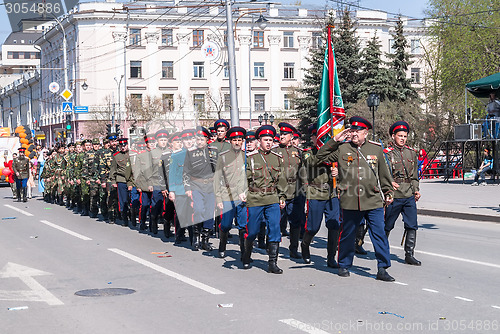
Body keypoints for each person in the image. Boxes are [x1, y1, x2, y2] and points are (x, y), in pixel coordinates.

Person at [316, 116, 395, 281]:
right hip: (350, 199)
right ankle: (344, 264)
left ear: (365, 133)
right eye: (352, 130)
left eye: (357, 131)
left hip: (373, 199)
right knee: (347, 234)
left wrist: (388, 192)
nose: (353, 133)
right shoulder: (342, 149)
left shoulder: (376, 149)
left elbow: (384, 175)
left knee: (379, 234)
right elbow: (320, 157)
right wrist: (335, 140)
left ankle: (382, 268)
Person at [243, 125, 287, 274]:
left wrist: (282, 197)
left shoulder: (277, 159)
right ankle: (246, 255)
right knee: (253, 231)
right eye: (265, 140)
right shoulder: (251, 158)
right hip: (255, 198)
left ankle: (272, 263)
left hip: (272, 197)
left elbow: (282, 180)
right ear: (259, 141)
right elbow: (243, 179)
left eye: (270, 140)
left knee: (275, 228)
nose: (268, 142)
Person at [301, 124, 341, 267]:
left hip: (332, 193)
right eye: (317, 136)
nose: (321, 139)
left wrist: (339, 173)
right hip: (316, 192)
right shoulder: (307, 152)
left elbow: (347, 166)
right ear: (312, 138)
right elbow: (312, 162)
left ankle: (331, 257)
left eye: (325, 137)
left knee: (334, 225)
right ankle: (305, 245)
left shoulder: (336, 152)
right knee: (313, 227)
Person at [383, 121, 422, 266]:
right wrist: (388, 190)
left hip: (409, 194)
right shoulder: (387, 153)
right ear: (393, 136)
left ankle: (409, 254)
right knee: (387, 225)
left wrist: (416, 189)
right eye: (400, 136)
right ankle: (383, 251)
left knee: (412, 225)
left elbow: (414, 176)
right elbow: (384, 174)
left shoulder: (411, 152)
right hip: (394, 195)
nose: (402, 138)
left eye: (405, 136)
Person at [214, 126, 248, 258]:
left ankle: (243, 250)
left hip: (243, 195)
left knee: (243, 225)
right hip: (227, 194)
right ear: (230, 141)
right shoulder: (223, 157)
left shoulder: (247, 156)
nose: (238, 142)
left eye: (240, 140)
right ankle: (222, 244)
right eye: (235, 140)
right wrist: (218, 199)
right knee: (226, 224)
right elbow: (217, 179)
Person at [183, 126, 218, 251]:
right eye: (198, 139)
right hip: (196, 185)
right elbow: (186, 171)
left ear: (207, 139)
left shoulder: (214, 151)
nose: (199, 141)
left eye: (202, 139)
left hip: (210, 186)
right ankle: (196, 236)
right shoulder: (191, 153)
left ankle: (205, 240)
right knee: (198, 209)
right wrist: (187, 187)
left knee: (209, 213)